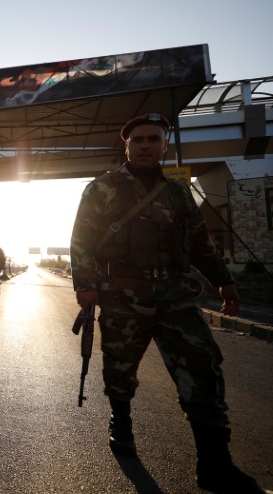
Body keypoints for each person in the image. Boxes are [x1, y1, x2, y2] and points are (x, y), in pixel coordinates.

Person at [70, 113, 262, 493]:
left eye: (152, 139)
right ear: (126, 145)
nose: (145, 145)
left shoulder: (177, 192)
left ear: (164, 145)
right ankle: (121, 425)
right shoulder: (102, 189)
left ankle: (215, 466)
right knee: (120, 371)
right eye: (137, 139)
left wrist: (225, 281)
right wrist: (86, 286)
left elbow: (199, 243)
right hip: (123, 295)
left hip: (176, 297)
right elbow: (81, 241)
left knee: (204, 370)